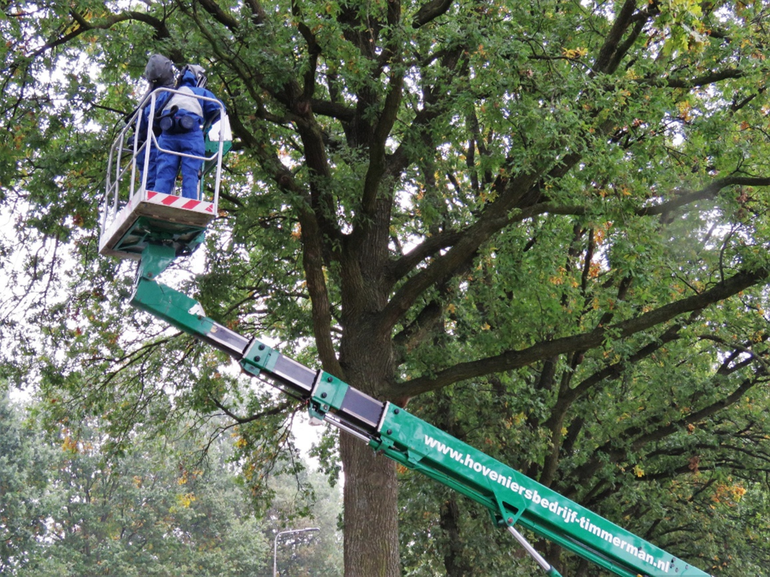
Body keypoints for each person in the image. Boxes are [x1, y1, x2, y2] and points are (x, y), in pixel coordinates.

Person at [153, 65, 223, 199]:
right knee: (190, 173)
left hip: (167, 136)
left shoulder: (168, 93)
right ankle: (190, 201)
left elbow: (154, 114)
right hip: (191, 135)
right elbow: (218, 109)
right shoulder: (201, 93)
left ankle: (158, 199)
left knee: (164, 172)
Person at [137, 54, 176, 191]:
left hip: (147, 143)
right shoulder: (165, 94)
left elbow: (138, 122)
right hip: (156, 141)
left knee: (149, 180)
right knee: (160, 174)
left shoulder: (148, 97)